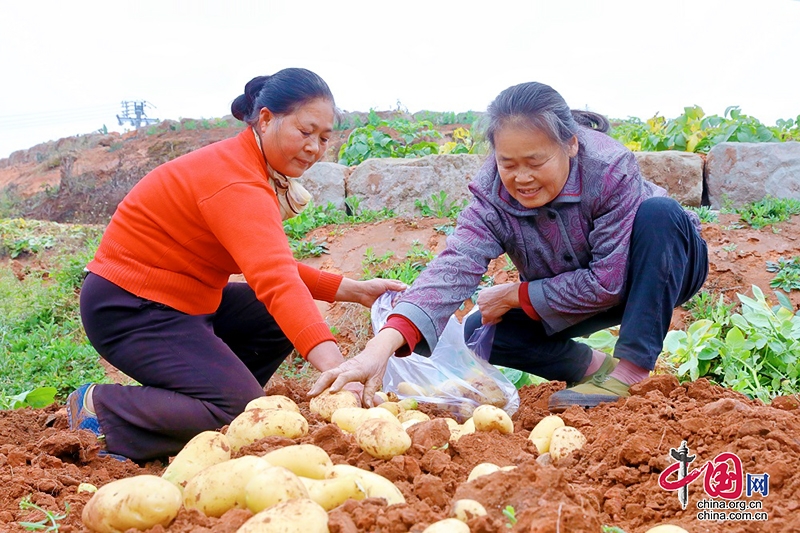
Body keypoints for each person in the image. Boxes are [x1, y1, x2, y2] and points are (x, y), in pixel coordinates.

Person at [67, 68, 404, 462]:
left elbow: (269, 263)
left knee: (267, 326)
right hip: (130, 307)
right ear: (265, 119)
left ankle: (208, 399)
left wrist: (352, 290)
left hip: (182, 302)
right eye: (305, 131)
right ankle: (103, 411)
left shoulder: (249, 168)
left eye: (325, 138)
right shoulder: (237, 180)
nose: (314, 147)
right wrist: (339, 369)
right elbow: (276, 279)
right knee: (237, 409)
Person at [310, 81, 708, 413]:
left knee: (660, 213)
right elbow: (453, 268)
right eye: (508, 163)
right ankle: (596, 370)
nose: (522, 178)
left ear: (570, 144)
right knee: (482, 331)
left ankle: (632, 372)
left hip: (659, 270)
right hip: (575, 290)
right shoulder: (491, 196)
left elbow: (607, 281)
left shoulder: (608, 168)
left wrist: (518, 294)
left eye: (535, 162)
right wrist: (378, 350)